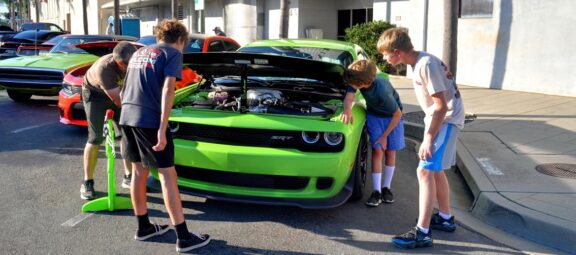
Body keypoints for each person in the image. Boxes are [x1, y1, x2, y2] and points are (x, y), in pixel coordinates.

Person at [119, 19, 211, 253]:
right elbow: (168, 88)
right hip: (149, 120)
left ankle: (144, 227)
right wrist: (162, 128)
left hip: (127, 116)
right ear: (180, 40)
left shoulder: (141, 52)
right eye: (184, 44)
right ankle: (184, 237)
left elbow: (128, 86)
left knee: (139, 171)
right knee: (167, 174)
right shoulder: (172, 53)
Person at [377, 27, 465, 249]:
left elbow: (441, 106)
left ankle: (422, 233)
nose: (384, 58)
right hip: (442, 119)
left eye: (385, 54)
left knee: (424, 170)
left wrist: (427, 138)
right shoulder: (419, 62)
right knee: (433, 170)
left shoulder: (425, 65)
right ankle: (445, 218)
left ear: (396, 51)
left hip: (446, 120)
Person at [340, 60, 405, 207]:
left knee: (390, 151)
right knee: (377, 151)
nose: (351, 85)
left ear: (363, 83)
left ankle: (386, 188)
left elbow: (397, 114)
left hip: (392, 118)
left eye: (353, 83)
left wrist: (384, 137)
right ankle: (376, 191)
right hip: (375, 116)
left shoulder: (382, 90)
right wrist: (347, 109)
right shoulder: (355, 80)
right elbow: (349, 97)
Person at [80, 41, 137, 200]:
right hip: (95, 94)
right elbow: (120, 102)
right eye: (129, 65)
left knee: (127, 133)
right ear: (120, 63)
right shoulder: (104, 70)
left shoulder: (133, 62)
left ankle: (128, 176)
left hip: (118, 91)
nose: (133, 67)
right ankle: (87, 182)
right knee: (95, 138)